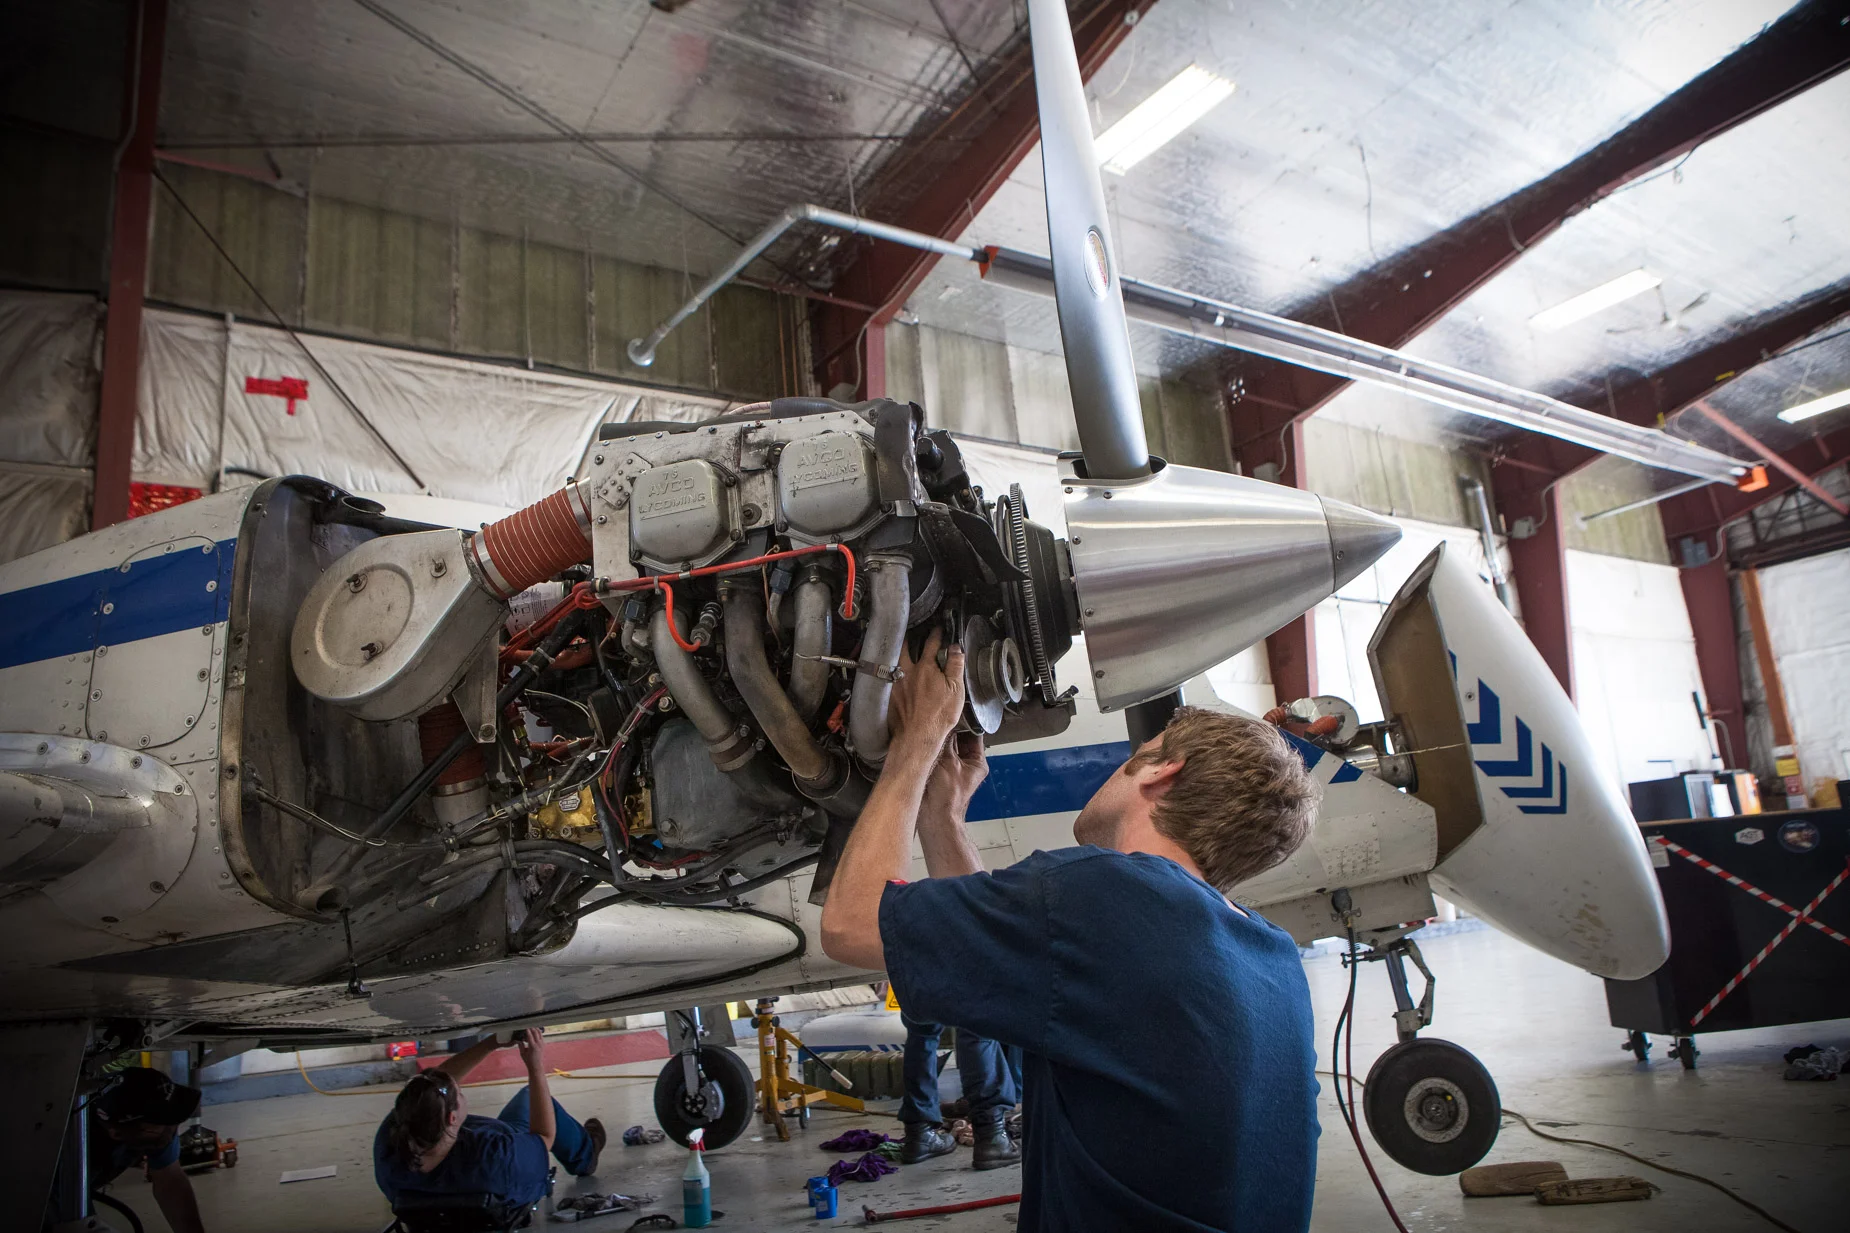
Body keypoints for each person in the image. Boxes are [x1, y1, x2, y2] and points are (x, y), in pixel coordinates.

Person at [821, 631, 1322, 1233]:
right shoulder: (1271, 957)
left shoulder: (1105, 893)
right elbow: (995, 962)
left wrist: (916, 741)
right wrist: (942, 812)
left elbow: (852, 925)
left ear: (1164, 772)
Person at [373, 1027, 606, 1214]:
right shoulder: (495, 1154)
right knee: (530, 1097)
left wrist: (491, 1042)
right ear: (452, 1118)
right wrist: (535, 1066)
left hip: (448, 1205)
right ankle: (585, 1156)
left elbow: (429, 1090)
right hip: (505, 1190)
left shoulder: (390, 1149)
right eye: (460, 1094)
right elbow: (544, 1137)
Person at [89, 1066, 207, 1233]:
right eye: (160, 1121)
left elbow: (170, 1180)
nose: (173, 1128)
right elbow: (72, 1221)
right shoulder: (70, 1151)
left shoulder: (156, 1132)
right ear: (117, 1133)